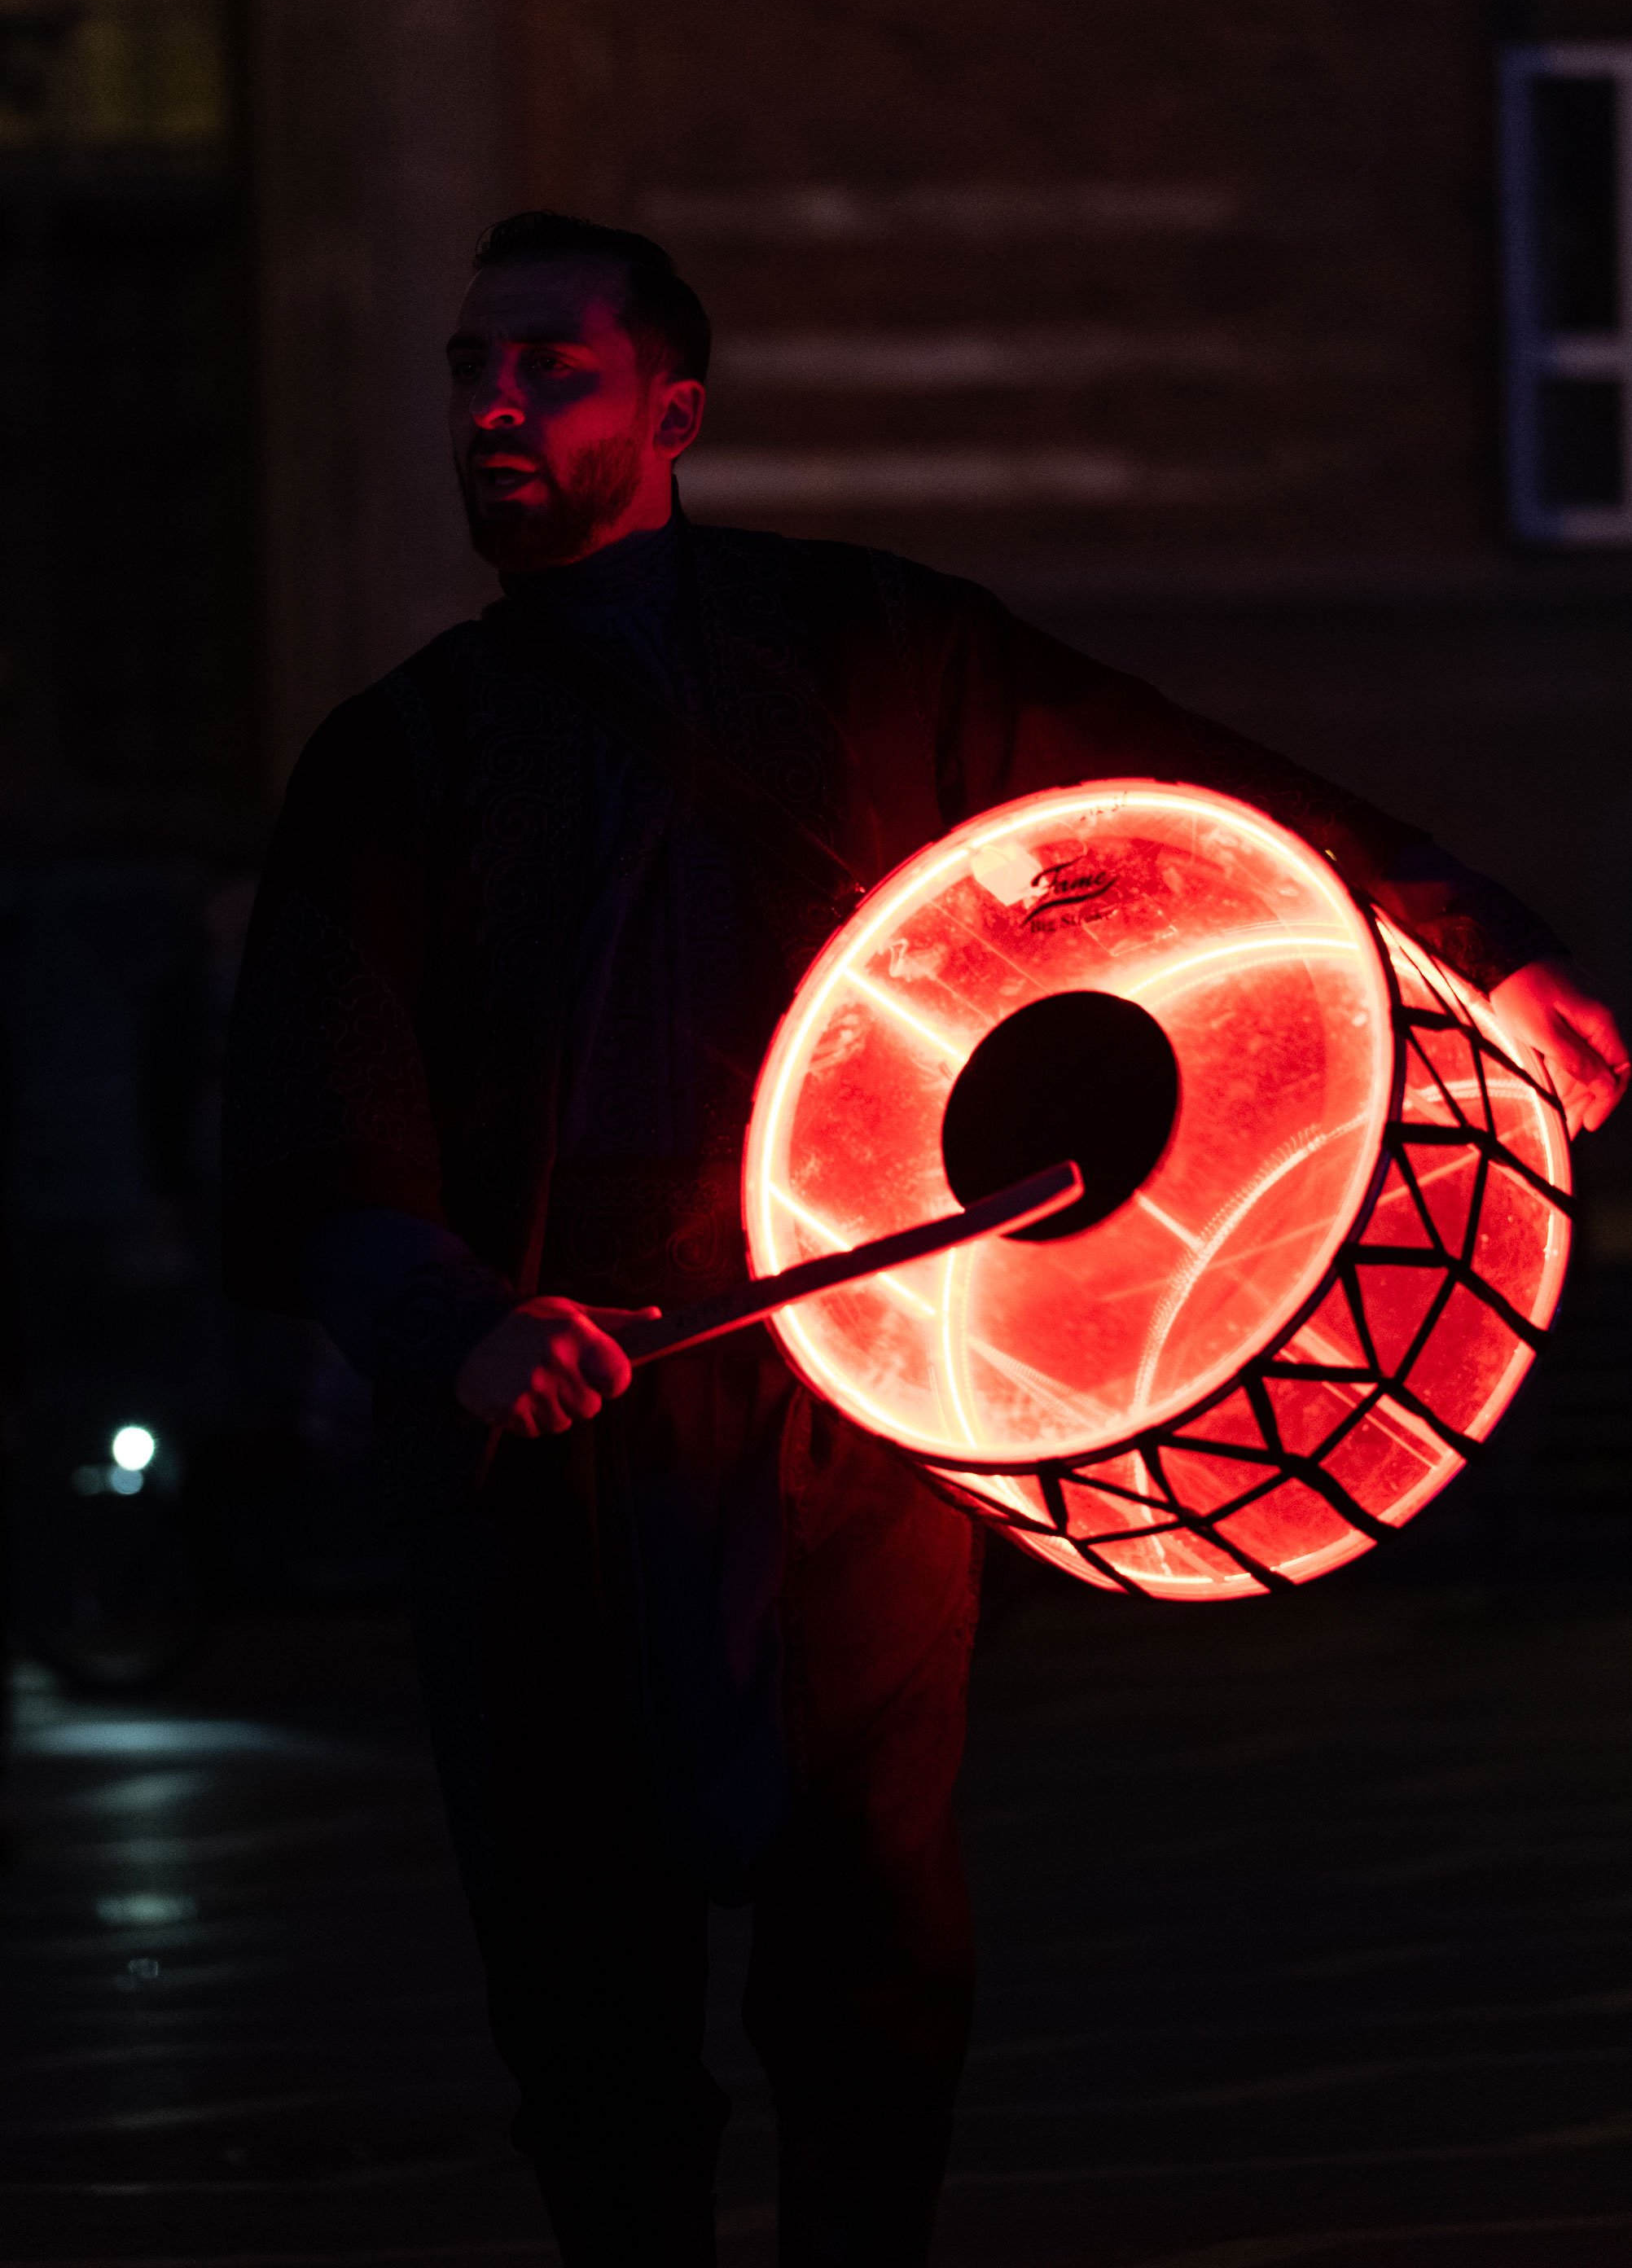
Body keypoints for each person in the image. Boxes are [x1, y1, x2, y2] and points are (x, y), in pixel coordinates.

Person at [222, 211, 1628, 2266]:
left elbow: (1168, 791)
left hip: (852, 1440)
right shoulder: (398, 758)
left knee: (871, 1966)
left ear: (675, 409)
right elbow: (320, 1117)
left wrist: (1471, 935)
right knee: (585, 2000)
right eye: (468, 369)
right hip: (547, 1460)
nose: (495, 404)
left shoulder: (872, 650)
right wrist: (450, 1321)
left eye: (551, 365)